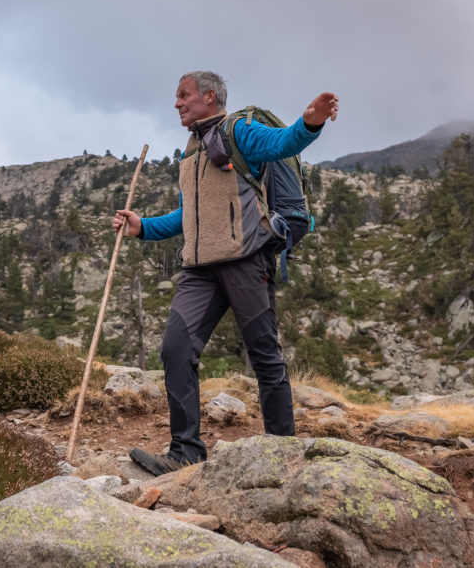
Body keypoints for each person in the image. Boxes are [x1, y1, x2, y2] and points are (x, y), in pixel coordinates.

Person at [112, 71, 338, 475]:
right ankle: (186, 451)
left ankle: (282, 454)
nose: (177, 103)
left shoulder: (240, 130)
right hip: (200, 269)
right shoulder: (191, 150)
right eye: (176, 97)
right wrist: (142, 226)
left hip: (246, 260)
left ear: (210, 97)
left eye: (184, 95)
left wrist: (311, 122)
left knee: (265, 356)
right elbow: (189, 215)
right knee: (175, 350)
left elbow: (283, 142)